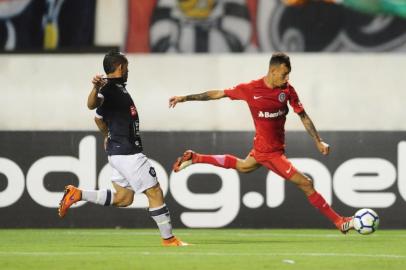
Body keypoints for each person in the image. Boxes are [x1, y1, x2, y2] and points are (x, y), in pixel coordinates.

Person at [169, 52, 354, 234]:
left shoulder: (287, 90)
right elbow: (218, 93)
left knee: (243, 166)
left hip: (265, 147)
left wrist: (318, 141)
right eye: (284, 74)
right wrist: (184, 98)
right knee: (306, 183)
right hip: (270, 153)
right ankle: (339, 222)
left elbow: (303, 116)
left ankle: (195, 158)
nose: (287, 78)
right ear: (272, 71)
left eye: (289, 74)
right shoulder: (251, 89)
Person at [58, 49, 188, 246]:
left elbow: (98, 118)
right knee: (154, 192)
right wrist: (94, 88)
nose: (128, 71)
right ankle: (169, 239)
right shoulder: (109, 88)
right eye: (127, 67)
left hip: (118, 152)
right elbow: (91, 106)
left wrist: (106, 135)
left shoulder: (118, 89)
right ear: (120, 67)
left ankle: (78, 194)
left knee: (124, 198)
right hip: (128, 152)